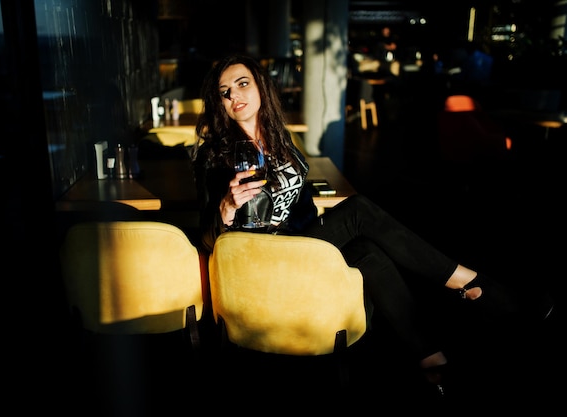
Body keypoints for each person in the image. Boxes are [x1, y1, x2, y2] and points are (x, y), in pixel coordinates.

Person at [191, 54, 553, 397]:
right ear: (219, 103)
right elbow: (206, 237)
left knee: (367, 252)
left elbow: (298, 207)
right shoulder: (214, 155)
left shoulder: (281, 140)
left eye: (242, 83)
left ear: (260, 88)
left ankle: (432, 360)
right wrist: (225, 206)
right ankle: (474, 285)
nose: (235, 95)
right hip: (258, 262)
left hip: (298, 248)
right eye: (225, 92)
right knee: (359, 209)